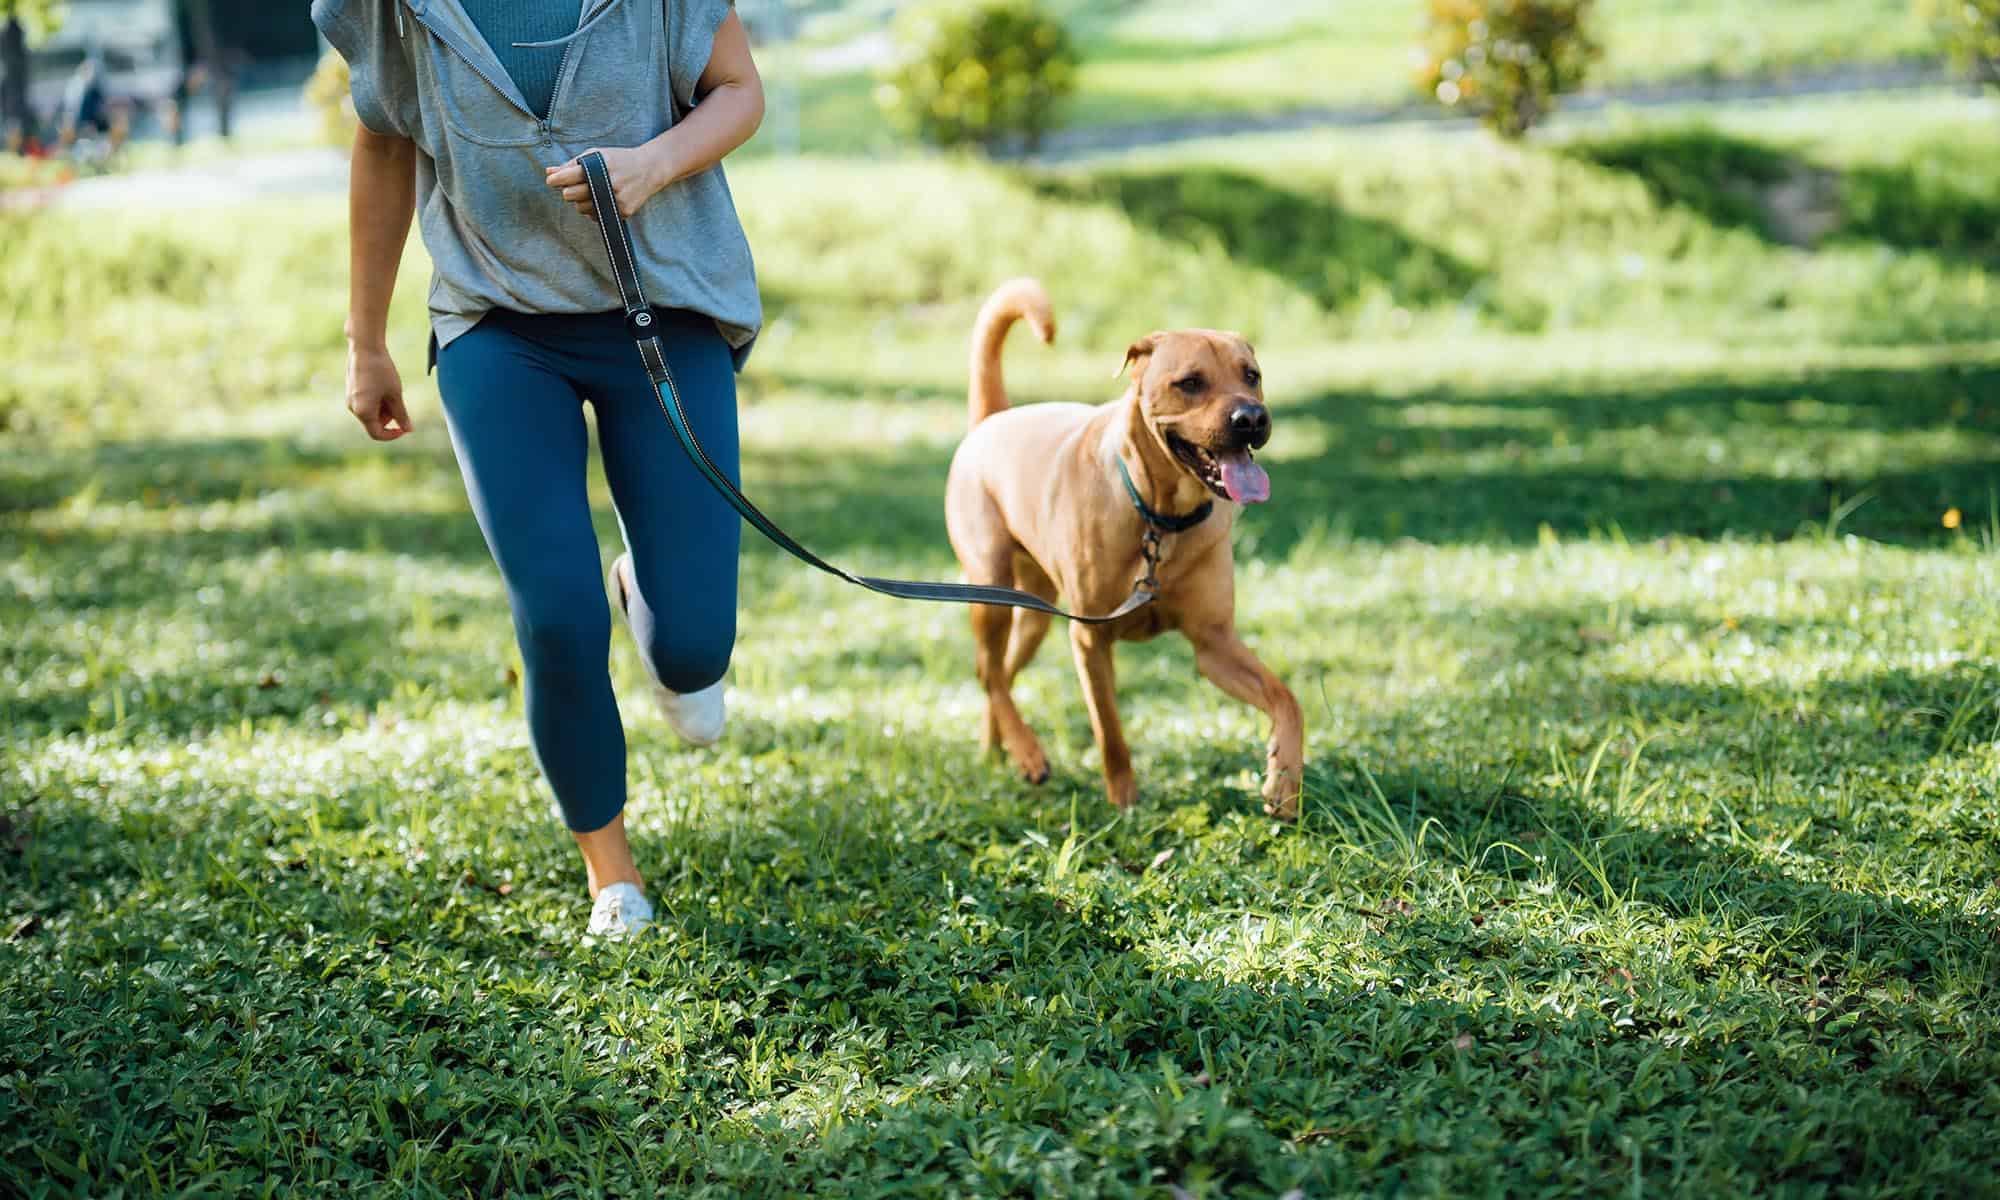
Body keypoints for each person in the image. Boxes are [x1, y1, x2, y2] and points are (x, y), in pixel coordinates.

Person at [312, 0, 765, 938]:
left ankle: (651, 595)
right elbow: (386, 144)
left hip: (666, 308)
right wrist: (366, 342)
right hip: (496, 322)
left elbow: (739, 92)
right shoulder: (394, 8)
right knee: (556, 613)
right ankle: (613, 876)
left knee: (694, 648)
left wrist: (653, 164)